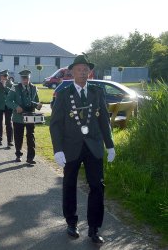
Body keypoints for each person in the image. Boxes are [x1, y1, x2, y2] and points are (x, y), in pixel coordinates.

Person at [49, 54, 115, 244]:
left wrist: (109, 145)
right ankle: (71, 222)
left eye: (86, 69)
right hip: (71, 147)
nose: (83, 72)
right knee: (69, 185)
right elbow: (55, 124)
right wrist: (58, 149)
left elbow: (104, 120)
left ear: (89, 72)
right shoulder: (63, 93)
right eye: (80, 69)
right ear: (72, 71)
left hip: (93, 146)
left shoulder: (97, 91)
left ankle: (94, 228)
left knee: (97, 186)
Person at [6, 69, 42, 164]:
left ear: (29, 78)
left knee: (31, 136)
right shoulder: (15, 88)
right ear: (21, 78)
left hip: (30, 116)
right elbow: (8, 101)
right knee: (18, 137)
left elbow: (35, 100)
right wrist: (16, 106)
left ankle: (30, 158)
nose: (25, 80)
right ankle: (18, 154)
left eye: (27, 78)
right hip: (18, 117)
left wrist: (38, 105)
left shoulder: (34, 88)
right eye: (23, 79)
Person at [0, 69, 14, 147]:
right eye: (3, 76)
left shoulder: (11, 84)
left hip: (8, 106)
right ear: (0, 76)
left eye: (6, 76)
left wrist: (4, 86)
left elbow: (12, 94)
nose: (5, 78)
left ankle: (10, 141)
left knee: (8, 123)